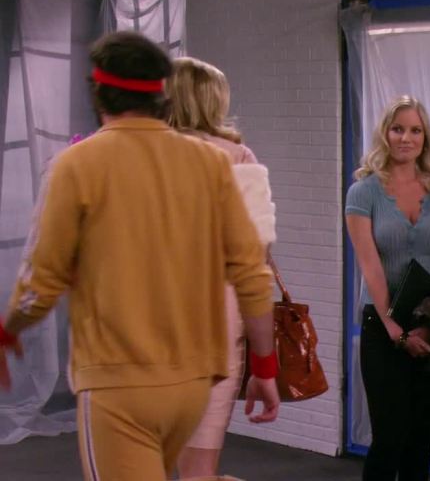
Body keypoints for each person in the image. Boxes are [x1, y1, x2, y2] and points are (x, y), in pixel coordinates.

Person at [0, 31, 280, 481]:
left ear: (98, 91)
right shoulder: (215, 163)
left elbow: (44, 277)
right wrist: (265, 365)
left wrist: (10, 328)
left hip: (120, 376)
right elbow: (253, 272)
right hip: (197, 373)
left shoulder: (78, 163)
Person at [166, 55, 277, 479]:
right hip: (214, 338)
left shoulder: (131, 156)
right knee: (199, 471)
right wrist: (264, 365)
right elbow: (255, 270)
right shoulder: (237, 158)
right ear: (214, 101)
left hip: (142, 339)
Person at [345, 95, 430, 480]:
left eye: (415, 130)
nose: (406, 138)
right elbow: (370, 266)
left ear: (425, 138)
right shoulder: (364, 192)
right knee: (389, 439)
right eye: (398, 129)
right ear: (385, 134)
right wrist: (395, 329)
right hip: (382, 325)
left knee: (420, 441)